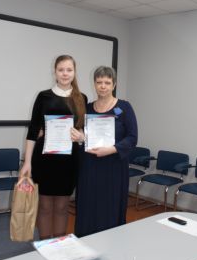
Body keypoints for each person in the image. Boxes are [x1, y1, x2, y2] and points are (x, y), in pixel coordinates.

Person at [19, 55, 87, 239]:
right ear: (55, 72)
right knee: (45, 206)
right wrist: (27, 162)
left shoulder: (81, 98)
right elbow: (33, 130)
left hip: (69, 161)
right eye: (61, 70)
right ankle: (45, 245)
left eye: (69, 70)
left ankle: (59, 245)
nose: (65, 73)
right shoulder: (44, 96)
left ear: (74, 72)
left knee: (63, 206)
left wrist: (82, 137)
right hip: (44, 159)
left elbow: (84, 130)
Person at [75, 66, 138, 237]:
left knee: (110, 206)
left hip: (114, 167)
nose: (103, 86)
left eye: (107, 82)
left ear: (114, 84)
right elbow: (81, 135)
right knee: (88, 205)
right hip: (89, 167)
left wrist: (111, 150)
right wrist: (79, 137)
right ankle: (86, 241)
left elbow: (132, 138)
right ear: (94, 84)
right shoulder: (87, 108)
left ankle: (111, 245)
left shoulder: (124, 107)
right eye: (99, 82)